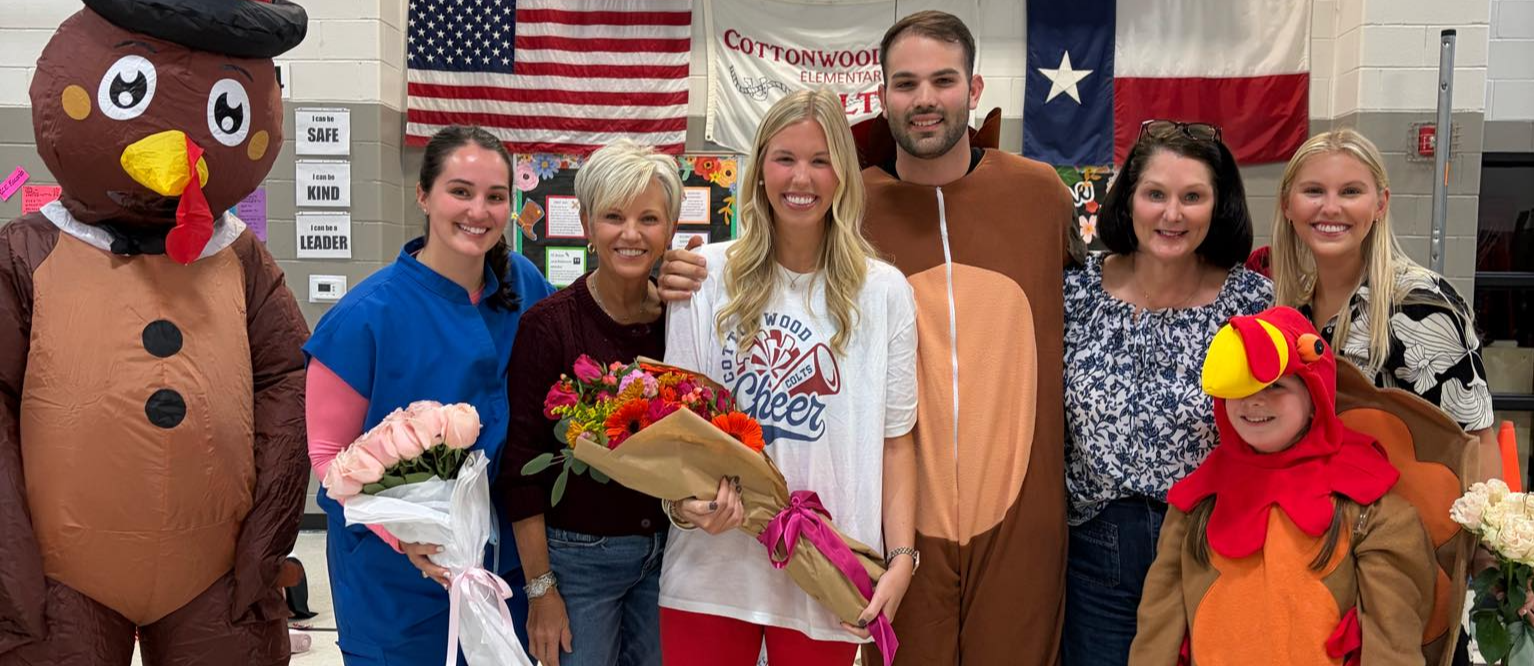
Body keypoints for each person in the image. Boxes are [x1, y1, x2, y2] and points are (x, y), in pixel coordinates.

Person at [660, 11, 1078, 664]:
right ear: (881, 97)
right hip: (859, 536)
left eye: (943, 80)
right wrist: (661, 274)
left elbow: (1093, 301)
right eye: (905, 83)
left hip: (1012, 517)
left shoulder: (1039, 197)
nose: (926, 99)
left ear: (975, 88)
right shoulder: (856, 215)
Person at [0, 1, 309, 662]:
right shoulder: (23, 254)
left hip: (216, 572)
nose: (177, 149)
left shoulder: (243, 259)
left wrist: (264, 543)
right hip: (60, 575)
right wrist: (11, 564)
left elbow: (286, 383)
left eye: (227, 111)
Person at [656, 88, 918, 666]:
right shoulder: (704, 278)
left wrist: (901, 558)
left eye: (821, 160)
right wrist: (685, 507)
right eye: (785, 158)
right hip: (712, 572)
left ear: (843, 176)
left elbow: (897, 441)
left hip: (827, 571)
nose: (802, 177)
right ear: (759, 171)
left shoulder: (886, 294)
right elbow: (675, 432)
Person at [304, 125, 554, 665]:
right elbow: (328, 459)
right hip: (394, 581)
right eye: (460, 191)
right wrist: (403, 536)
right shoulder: (364, 318)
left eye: (494, 196)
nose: (478, 211)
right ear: (423, 195)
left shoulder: (524, 286)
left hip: (500, 567)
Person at [1061, 119, 1271, 665]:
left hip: (1213, 545)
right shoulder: (1075, 292)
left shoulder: (1252, 303)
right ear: (1127, 200)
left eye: (1192, 197)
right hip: (1094, 548)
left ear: (1218, 205)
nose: (1172, 214)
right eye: (1156, 194)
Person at [1129, 306, 1435, 665]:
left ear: (1314, 397)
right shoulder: (1196, 503)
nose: (1255, 400)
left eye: (1276, 385)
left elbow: (1392, 641)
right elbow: (1157, 630)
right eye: (1242, 385)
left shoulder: (1369, 506)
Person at [497, 139, 684, 666]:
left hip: (671, 552)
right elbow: (522, 470)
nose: (631, 233)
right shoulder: (549, 327)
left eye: (649, 217)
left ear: (670, 227)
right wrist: (541, 591)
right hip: (580, 560)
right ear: (585, 223)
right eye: (613, 216)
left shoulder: (684, 319)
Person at [1268, 129, 1499, 482]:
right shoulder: (1291, 307)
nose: (1330, 207)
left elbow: (1477, 445)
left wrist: (1483, 535)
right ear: (1287, 204)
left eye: (1351, 191)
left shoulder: (1421, 304)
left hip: (1405, 528)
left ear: (1380, 204)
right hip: (1321, 522)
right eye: (1314, 190)